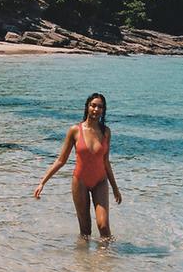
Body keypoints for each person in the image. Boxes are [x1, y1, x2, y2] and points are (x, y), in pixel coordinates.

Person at [34, 92, 122, 238]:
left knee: (104, 227)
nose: (96, 109)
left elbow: (106, 162)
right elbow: (61, 160)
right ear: (87, 107)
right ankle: (83, 260)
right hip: (80, 182)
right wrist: (42, 182)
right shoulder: (75, 130)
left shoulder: (106, 132)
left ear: (103, 110)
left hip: (100, 181)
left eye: (100, 107)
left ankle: (106, 259)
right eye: (93, 105)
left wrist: (115, 188)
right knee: (85, 230)